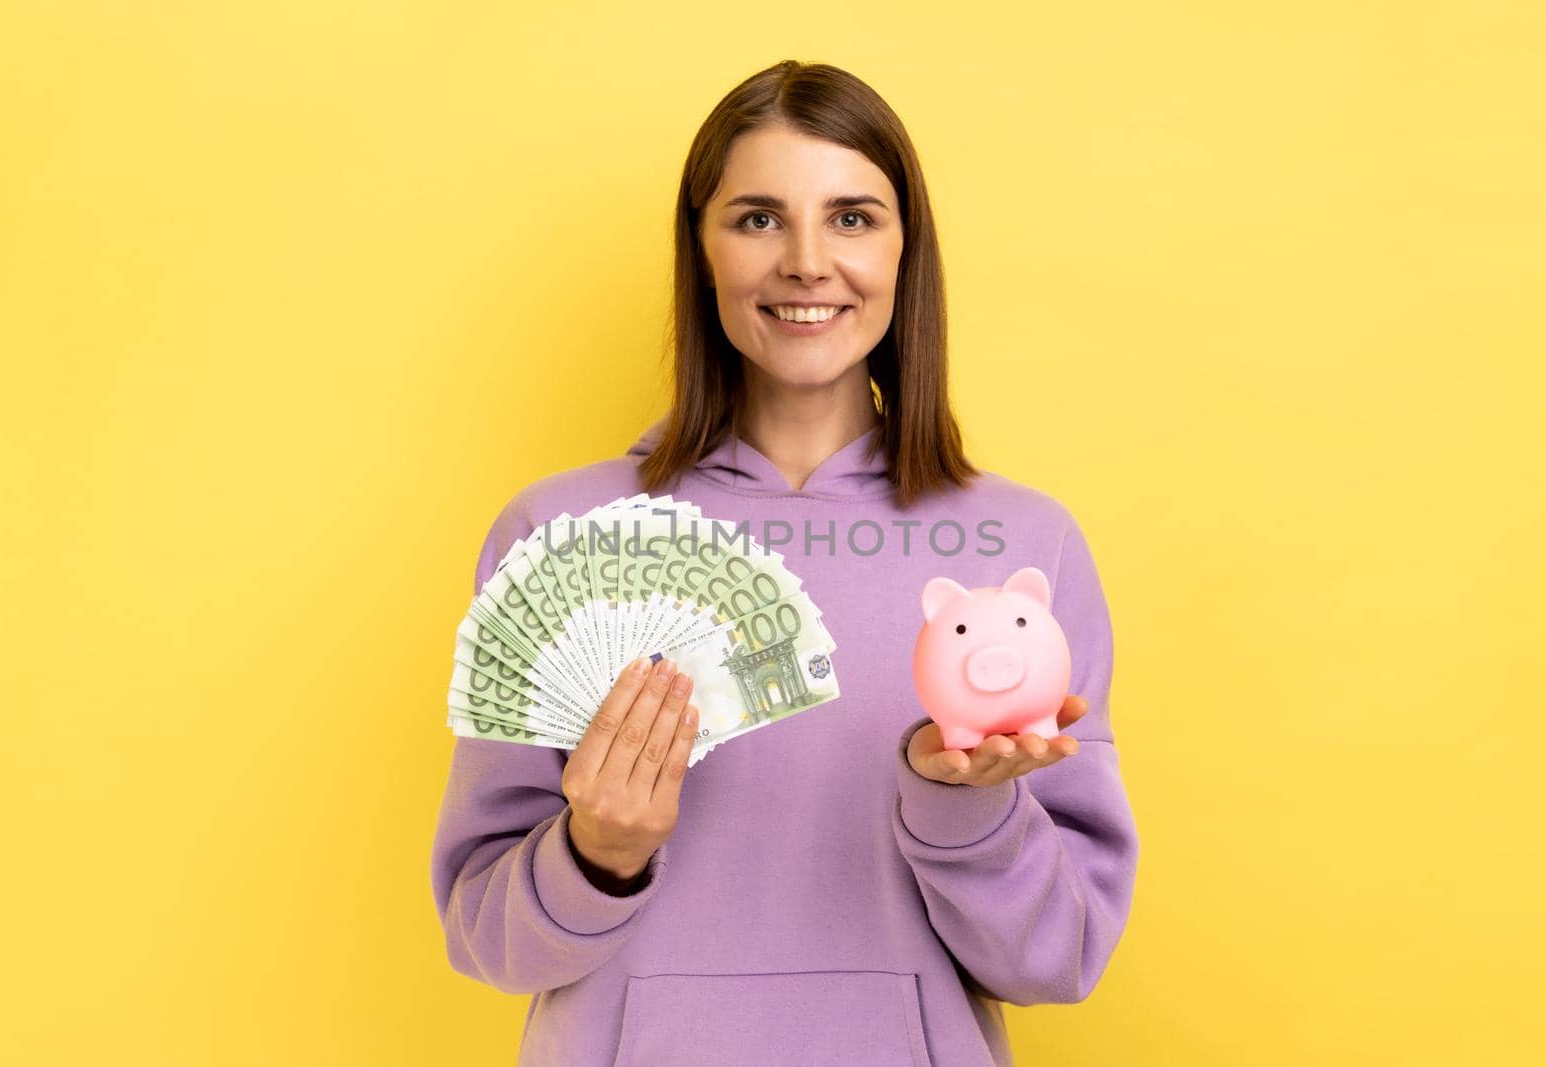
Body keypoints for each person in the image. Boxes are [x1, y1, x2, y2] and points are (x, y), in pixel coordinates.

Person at [430, 59, 1138, 1066]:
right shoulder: (559, 529)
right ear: (700, 248)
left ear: (906, 251)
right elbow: (486, 938)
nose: (807, 261)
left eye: (852, 217)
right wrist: (601, 852)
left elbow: (1057, 957)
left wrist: (966, 807)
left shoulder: (1018, 545)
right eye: (757, 217)